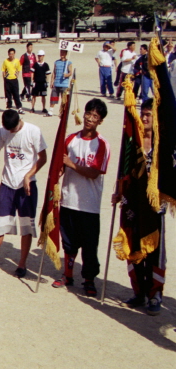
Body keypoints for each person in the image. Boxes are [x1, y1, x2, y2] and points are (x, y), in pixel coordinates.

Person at [0, 109, 48, 276]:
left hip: (27, 186)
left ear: (19, 121)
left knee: (26, 226)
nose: (10, 132)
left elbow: (43, 158)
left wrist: (29, 175)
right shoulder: (2, 132)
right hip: (7, 183)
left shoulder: (33, 131)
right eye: (8, 130)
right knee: (0, 224)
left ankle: (22, 264)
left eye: (13, 129)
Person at [53, 99, 109, 294]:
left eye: (95, 117)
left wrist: (71, 164)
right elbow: (59, 165)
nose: (89, 119)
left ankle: (89, 279)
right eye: (88, 114)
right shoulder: (70, 139)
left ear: (100, 121)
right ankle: (67, 275)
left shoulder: (102, 144)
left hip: (89, 204)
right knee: (69, 242)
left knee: (89, 244)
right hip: (69, 200)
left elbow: (94, 173)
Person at [123, 100, 165, 314]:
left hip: (155, 205)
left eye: (148, 114)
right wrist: (119, 191)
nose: (145, 117)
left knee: (155, 250)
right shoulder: (134, 140)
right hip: (134, 202)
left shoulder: (162, 144)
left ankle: (155, 293)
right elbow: (125, 168)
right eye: (143, 113)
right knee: (134, 244)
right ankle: (139, 291)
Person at [50, 48, 74, 116]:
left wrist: (66, 75)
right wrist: (52, 82)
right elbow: (54, 73)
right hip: (56, 83)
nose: (62, 54)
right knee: (53, 97)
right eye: (61, 52)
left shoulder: (69, 62)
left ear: (66, 54)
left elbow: (70, 72)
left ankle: (63, 112)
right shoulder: (56, 62)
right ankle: (51, 110)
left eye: (63, 53)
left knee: (64, 99)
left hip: (64, 84)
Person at [1, 47, 22, 112]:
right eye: (10, 54)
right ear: (8, 54)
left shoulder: (17, 61)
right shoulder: (5, 61)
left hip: (14, 80)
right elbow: (3, 70)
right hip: (7, 80)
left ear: (14, 54)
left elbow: (18, 69)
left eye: (12, 54)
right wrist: (4, 79)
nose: (11, 55)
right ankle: (9, 107)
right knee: (8, 95)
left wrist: (17, 75)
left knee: (16, 94)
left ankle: (19, 107)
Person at [31, 50, 50, 114]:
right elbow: (32, 73)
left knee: (43, 96)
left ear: (43, 56)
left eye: (41, 56)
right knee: (34, 96)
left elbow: (48, 74)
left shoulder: (46, 65)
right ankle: (32, 108)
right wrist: (32, 81)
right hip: (36, 82)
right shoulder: (35, 64)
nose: (39, 57)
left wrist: (47, 82)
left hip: (43, 82)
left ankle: (44, 108)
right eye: (39, 56)